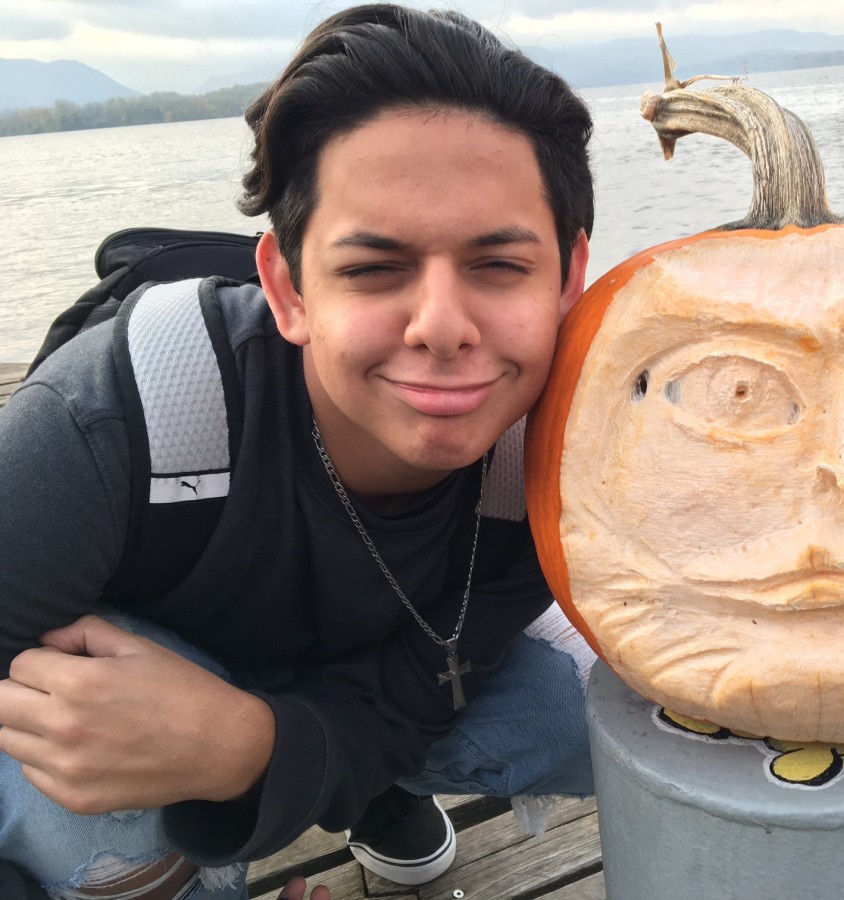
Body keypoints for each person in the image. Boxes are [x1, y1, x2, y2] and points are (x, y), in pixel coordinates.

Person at [0, 4, 596, 898]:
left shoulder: (552, 460)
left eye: (499, 265)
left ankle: (364, 790)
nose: (442, 328)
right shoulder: (100, 426)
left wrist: (256, 749)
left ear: (568, 279)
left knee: (602, 708)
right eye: (373, 268)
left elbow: (429, 685)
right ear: (287, 286)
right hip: (155, 681)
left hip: (357, 676)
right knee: (79, 770)